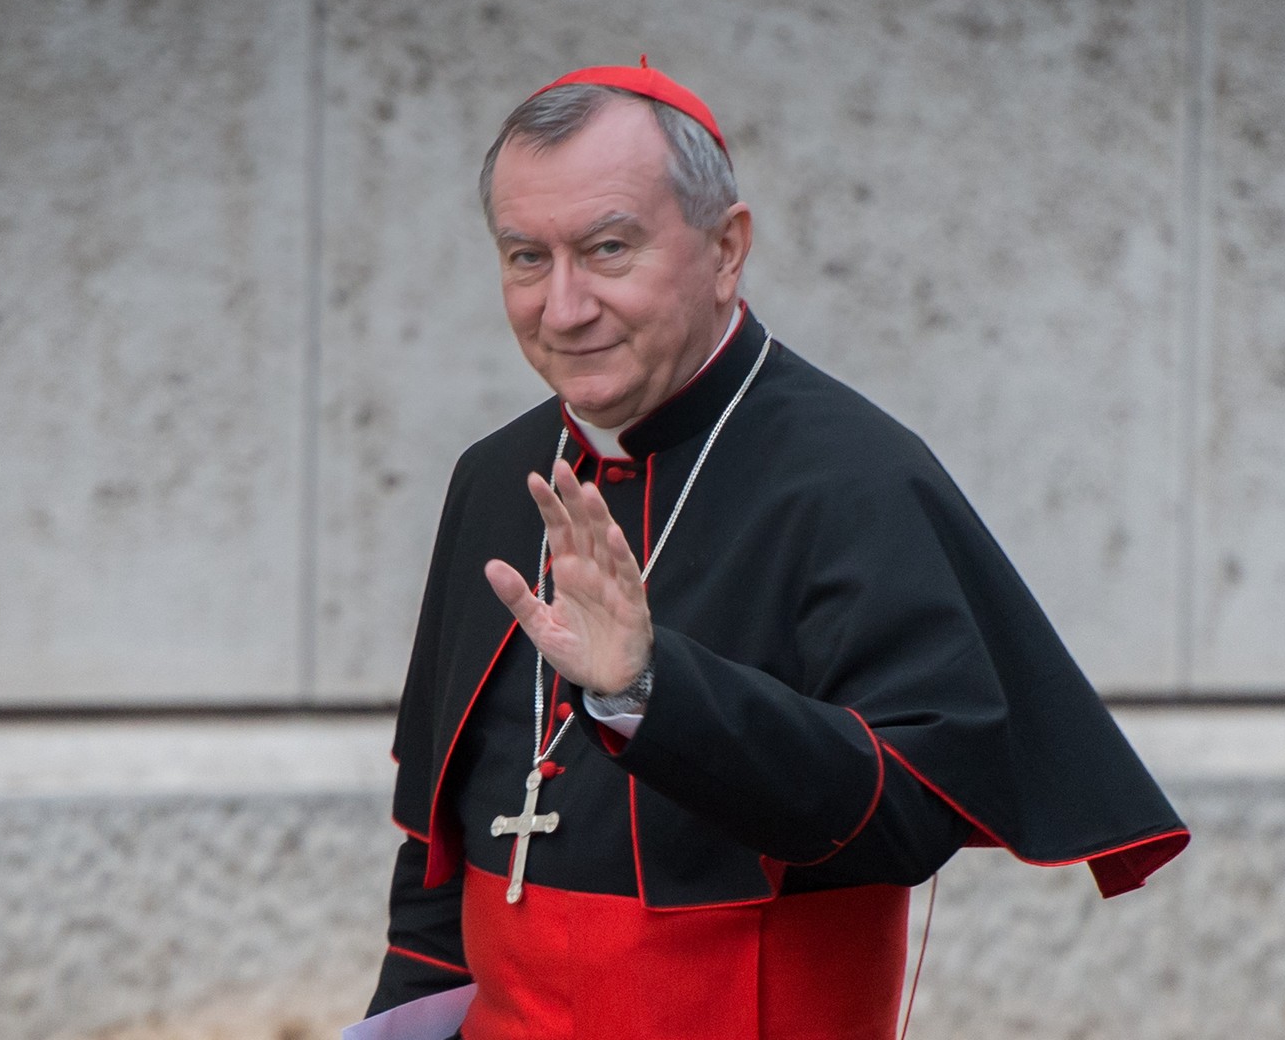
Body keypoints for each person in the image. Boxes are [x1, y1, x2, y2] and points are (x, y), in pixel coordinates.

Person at [361, 61, 1188, 1040]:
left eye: (608, 249)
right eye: (526, 258)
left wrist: (651, 693)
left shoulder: (856, 478)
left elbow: (912, 814)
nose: (563, 306)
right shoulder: (498, 477)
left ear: (726, 248)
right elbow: (438, 841)